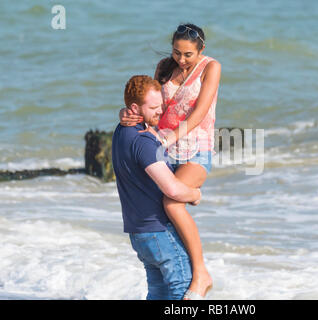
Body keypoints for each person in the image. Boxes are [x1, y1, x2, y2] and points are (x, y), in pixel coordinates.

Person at [119, 23, 221, 299]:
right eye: (177, 52)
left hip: (195, 150)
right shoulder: (166, 66)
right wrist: (127, 113)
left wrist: (170, 137)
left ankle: (200, 274)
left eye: (188, 54)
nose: (181, 59)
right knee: (156, 212)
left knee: (172, 202)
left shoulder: (211, 68)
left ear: (201, 49)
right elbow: (151, 104)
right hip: (163, 149)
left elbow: (199, 112)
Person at [112, 75, 202, 300]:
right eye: (153, 107)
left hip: (139, 233)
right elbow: (171, 189)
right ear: (135, 108)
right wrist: (194, 194)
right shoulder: (143, 142)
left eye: (160, 105)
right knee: (182, 290)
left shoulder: (120, 132)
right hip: (159, 231)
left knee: (158, 293)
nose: (160, 111)